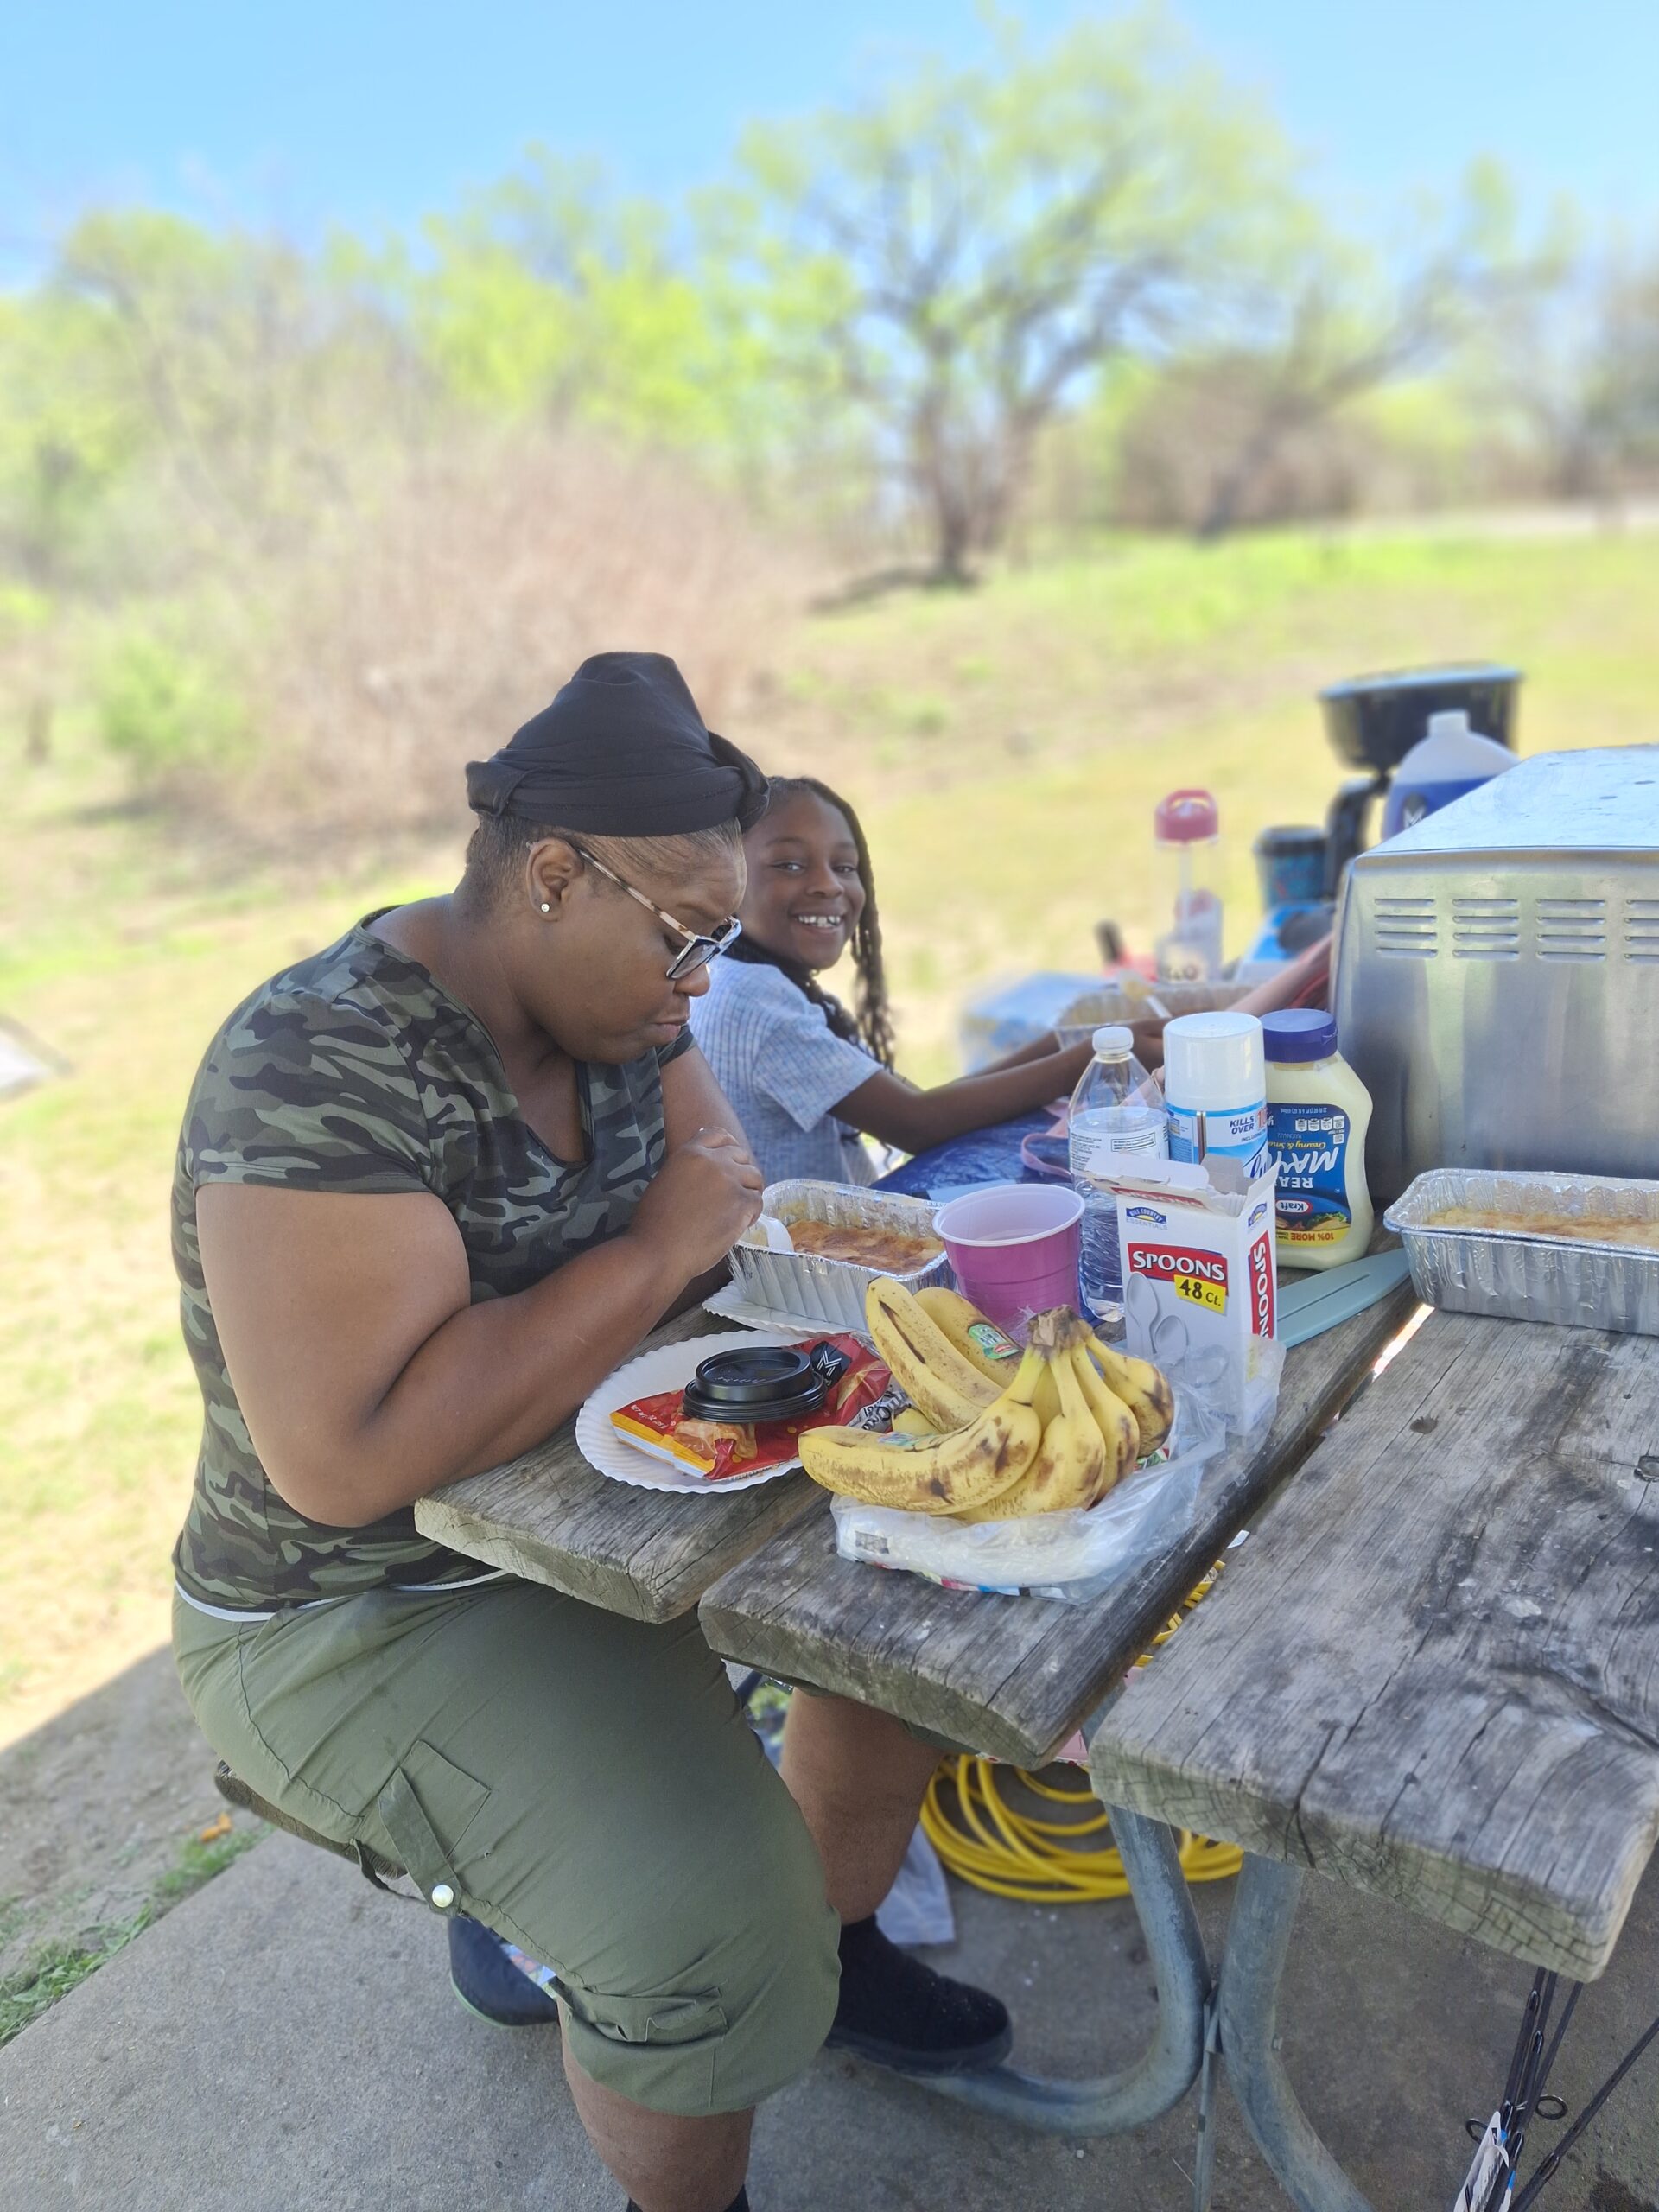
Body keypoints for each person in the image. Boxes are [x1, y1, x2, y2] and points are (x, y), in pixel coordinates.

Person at [168, 655, 1010, 2212]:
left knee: (924, 1600)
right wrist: (637, 1262)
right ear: (554, 874)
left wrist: (677, 1237)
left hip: (589, 1491)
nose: (704, 982)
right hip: (359, 1599)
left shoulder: (622, 999)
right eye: (688, 934)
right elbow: (350, 1456)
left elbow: (721, 1177)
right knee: (705, 1931)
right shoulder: (322, 1062)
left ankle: (826, 1954)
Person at [691, 776, 1155, 1186]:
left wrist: (1072, 1042)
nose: (828, 885)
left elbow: (923, 1104)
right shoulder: (757, 1003)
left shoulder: (734, 977)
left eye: (845, 867)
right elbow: (918, 1123)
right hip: (810, 1265)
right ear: (726, 878)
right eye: (790, 865)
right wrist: (1101, 1053)